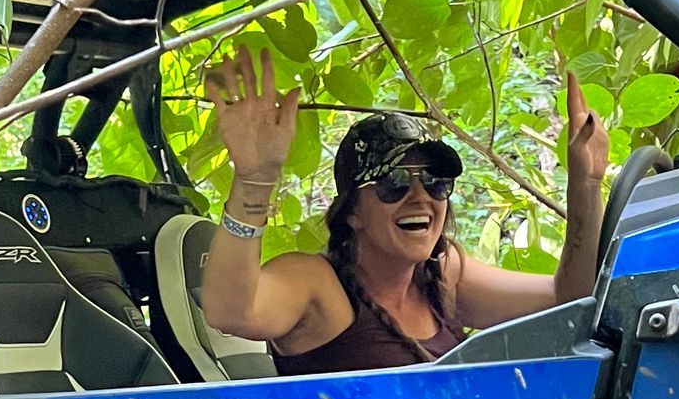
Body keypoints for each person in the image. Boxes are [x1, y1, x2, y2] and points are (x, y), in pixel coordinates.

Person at [198, 53, 609, 376]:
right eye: (393, 183)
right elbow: (230, 311)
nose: (420, 197)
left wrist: (586, 186)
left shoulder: (444, 275)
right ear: (353, 212)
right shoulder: (318, 285)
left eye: (435, 182)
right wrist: (255, 179)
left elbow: (568, 301)